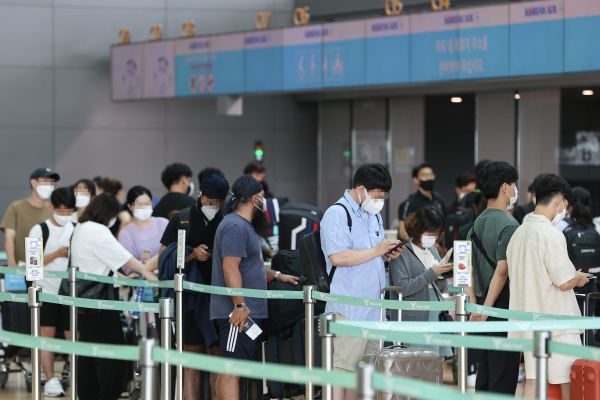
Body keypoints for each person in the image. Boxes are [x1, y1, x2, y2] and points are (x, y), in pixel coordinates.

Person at [210, 175, 298, 400]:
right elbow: (230, 267)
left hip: (246, 310)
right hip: (236, 314)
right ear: (252, 199)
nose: (264, 203)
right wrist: (239, 305)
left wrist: (278, 275)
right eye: (262, 198)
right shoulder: (234, 226)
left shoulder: (243, 226)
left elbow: (250, 266)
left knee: (234, 368)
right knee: (231, 370)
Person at [320, 163, 403, 400]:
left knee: (364, 373)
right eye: (378, 195)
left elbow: (370, 252)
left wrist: (387, 252)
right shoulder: (337, 214)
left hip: (373, 310)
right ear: (362, 189)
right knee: (343, 368)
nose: (380, 201)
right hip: (349, 307)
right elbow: (338, 257)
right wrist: (377, 251)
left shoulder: (372, 214)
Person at [507, 174, 590, 399]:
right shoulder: (552, 235)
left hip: (527, 322)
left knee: (533, 382)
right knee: (568, 382)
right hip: (557, 322)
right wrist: (580, 279)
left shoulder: (518, 233)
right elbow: (564, 281)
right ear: (559, 201)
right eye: (565, 204)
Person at [70, 193, 156, 400]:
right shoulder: (98, 231)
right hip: (100, 303)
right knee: (111, 358)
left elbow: (100, 262)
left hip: (84, 300)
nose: (115, 220)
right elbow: (126, 260)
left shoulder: (81, 227)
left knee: (88, 357)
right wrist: (148, 269)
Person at [159, 172, 229, 400]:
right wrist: (190, 254)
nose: (215, 205)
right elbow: (163, 259)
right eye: (210, 201)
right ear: (199, 194)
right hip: (190, 299)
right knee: (191, 354)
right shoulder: (182, 219)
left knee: (217, 353)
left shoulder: (227, 218)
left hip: (221, 296)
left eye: (219, 201)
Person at [464, 161, 521, 395]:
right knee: (503, 371)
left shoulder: (475, 224)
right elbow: (502, 271)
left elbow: (464, 269)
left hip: (479, 305)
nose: (516, 190)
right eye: (514, 184)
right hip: (501, 306)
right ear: (505, 187)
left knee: (485, 370)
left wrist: (475, 307)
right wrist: (487, 310)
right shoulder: (509, 224)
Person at [389, 206, 453, 357]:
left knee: (434, 364)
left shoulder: (433, 251)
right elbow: (402, 288)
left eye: (437, 234)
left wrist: (444, 273)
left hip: (436, 316)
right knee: (415, 363)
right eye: (430, 233)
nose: (433, 237)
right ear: (417, 229)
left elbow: (441, 288)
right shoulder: (402, 252)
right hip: (414, 319)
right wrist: (431, 274)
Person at [28, 187, 74, 397]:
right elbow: (32, 264)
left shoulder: (76, 228)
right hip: (45, 291)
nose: (65, 215)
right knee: (46, 335)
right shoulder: (39, 230)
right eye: (61, 210)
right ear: (52, 207)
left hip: (69, 292)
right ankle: (51, 379)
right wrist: (56, 254)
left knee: (72, 335)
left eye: (69, 210)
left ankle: (77, 376)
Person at [1, 167, 59, 268]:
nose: (49, 186)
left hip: (48, 270)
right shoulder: (16, 207)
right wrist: (11, 263)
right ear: (33, 183)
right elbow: (9, 237)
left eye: (52, 183)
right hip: (21, 268)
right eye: (46, 182)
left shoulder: (53, 210)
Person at [118, 186, 168, 274]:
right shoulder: (125, 233)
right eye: (139, 205)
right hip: (142, 283)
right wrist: (143, 262)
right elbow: (126, 267)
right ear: (130, 207)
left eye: (147, 203)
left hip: (167, 276)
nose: (144, 207)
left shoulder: (163, 223)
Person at [398, 162, 447, 240]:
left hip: (438, 250)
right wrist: (423, 244)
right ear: (416, 180)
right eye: (425, 175)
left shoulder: (439, 200)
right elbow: (403, 232)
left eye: (431, 175)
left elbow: (443, 227)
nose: (429, 178)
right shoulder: (409, 203)